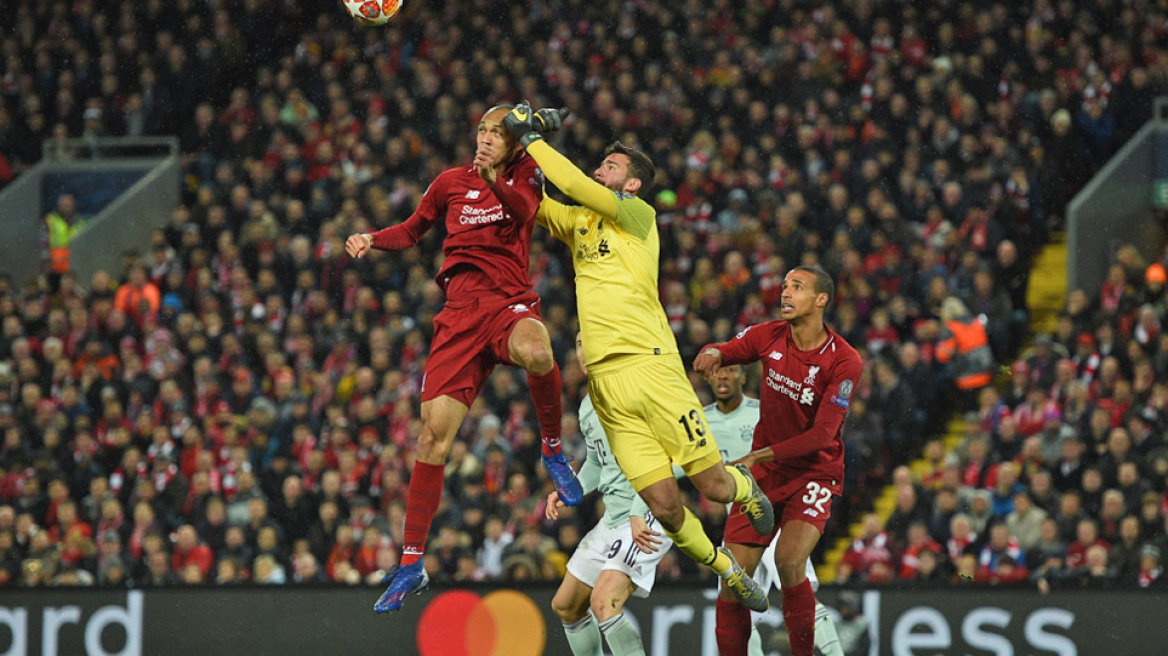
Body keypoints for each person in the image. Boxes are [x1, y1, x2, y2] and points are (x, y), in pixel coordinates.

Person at [503, 102, 773, 611]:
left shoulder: (638, 217)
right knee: (666, 507)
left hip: (651, 368)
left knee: (713, 486)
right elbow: (530, 203)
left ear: (632, 185)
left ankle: (747, 492)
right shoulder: (581, 220)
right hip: (607, 388)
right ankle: (728, 570)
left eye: (610, 167)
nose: (599, 171)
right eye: (601, 164)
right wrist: (508, 151)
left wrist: (533, 141)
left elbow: (575, 185)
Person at [348, 104, 583, 613]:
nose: (484, 140)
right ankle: (411, 564)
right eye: (481, 131)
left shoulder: (527, 173)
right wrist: (372, 237)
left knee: (538, 349)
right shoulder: (448, 183)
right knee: (432, 437)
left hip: (508, 302)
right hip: (458, 316)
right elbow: (412, 230)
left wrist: (497, 176)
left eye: (496, 134)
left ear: (515, 142)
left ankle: (552, 450)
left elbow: (524, 212)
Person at [693, 265, 863, 656]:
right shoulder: (769, 334)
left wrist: (759, 454)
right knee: (733, 579)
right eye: (785, 285)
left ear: (821, 300)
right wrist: (711, 352)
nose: (785, 293)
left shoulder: (844, 360)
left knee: (789, 563)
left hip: (815, 472)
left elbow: (822, 436)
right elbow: (726, 349)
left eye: (797, 287)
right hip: (765, 473)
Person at [700, 363, 844, 656]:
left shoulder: (764, 413)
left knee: (798, 586)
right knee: (737, 603)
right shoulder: (701, 421)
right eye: (718, 372)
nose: (724, 376)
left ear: (744, 377)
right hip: (739, 522)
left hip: (774, 511)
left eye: (731, 370)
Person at [548, 334, 673, 656]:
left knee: (604, 603)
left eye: (589, 338)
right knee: (566, 606)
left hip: (647, 511)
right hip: (613, 519)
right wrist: (569, 491)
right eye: (577, 342)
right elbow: (596, 460)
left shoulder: (633, 390)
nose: (584, 348)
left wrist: (636, 510)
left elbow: (662, 456)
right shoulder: (588, 404)